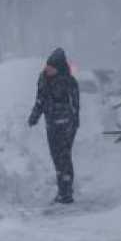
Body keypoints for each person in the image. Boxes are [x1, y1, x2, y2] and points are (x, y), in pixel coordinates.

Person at [28, 48, 80, 204]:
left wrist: (75, 121)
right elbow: (40, 101)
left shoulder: (68, 81)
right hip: (53, 124)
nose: (47, 68)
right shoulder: (44, 80)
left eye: (51, 66)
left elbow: (75, 104)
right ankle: (64, 189)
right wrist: (34, 117)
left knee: (63, 157)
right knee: (57, 158)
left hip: (65, 124)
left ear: (59, 67)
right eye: (47, 66)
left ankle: (66, 192)